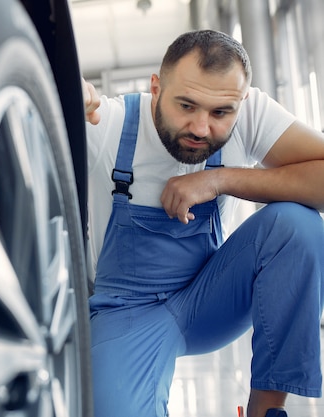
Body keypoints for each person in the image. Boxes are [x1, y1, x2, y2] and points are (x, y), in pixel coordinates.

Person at [82, 29, 324, 417]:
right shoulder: (106, 124)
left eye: (219, 113)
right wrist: (62, 98)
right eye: (186, 105)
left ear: (240, 102)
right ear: (156, 88)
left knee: (298, 225)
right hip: (126, 311)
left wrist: (218, 179)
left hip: (209, 299)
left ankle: (266, 409)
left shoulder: (248, 112)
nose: (200, 127)